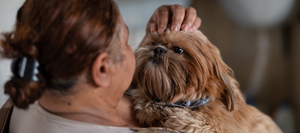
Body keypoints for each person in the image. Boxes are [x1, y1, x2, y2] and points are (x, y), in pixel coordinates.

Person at [0, 0, 201, 132]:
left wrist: (152, 38)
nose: (132, 49)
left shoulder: (39, 79)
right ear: (102, 69)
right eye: (126, 42)